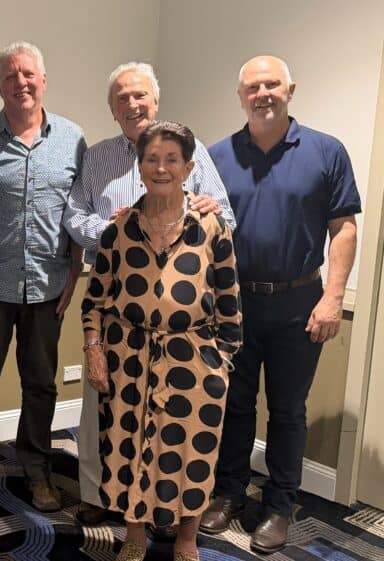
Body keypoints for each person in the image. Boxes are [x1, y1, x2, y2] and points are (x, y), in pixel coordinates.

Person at [63, 61, 235, 531]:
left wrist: (210, 207)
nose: (133, 104)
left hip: (185, 327)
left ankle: (166, 510)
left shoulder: (189, 149)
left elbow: (226, 222)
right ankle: (102, 496)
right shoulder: (97, 157)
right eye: (122, 97)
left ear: (155, 101)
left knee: (176, 426)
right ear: (112, 108)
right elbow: (73, 216)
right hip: (118, 306)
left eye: (140, 95)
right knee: (108, 417)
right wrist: (116, 231)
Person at [200, 55, 361, 554]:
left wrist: (333, 298)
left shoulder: (326, 151)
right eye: (253, 86)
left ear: (291, 88)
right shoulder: (217, 156)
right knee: (235, 405)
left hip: (300, 302)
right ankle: (228, 492)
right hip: (233, 303)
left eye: (272, 84)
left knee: (288, 411)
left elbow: (344, 229)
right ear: (241, 95)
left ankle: (277, 505)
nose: (262, 93)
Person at [0, 41, 84, 513]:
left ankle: (37, 470)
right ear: (0, 85)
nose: (21, 83)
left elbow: (80, 213)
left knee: (40, 383)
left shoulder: (73, 139)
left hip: (48, 287)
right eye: (11, 76)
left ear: (44, 81)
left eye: (28, 75)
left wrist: (74, 275)